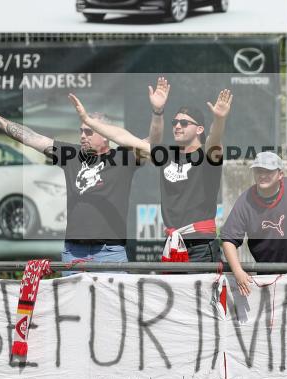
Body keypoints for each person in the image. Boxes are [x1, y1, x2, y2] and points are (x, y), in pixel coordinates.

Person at [0, 79, 169, 271]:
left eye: (89, 132)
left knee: (109, 309)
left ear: (106, 135)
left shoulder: (123, 158)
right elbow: (31, 138)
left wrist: (157, 111)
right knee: (71, 309)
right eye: (81, 131)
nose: (82, 136)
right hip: (73, 252)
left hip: (110, 252)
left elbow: (152, 144)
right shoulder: (72, 155)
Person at [68, 87, 233, 262]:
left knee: (201, 291)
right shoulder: (166, 155)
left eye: (184, 123)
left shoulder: (208, 155)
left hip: (201, 245)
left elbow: (214, 138)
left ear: (199, 129)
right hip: (173, 243)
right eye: (175, 122)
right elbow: (124, 138)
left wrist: (219, 118)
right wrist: (88, 120)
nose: (177, 126)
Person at [221, 152, 287, 296]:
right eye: (259, 171)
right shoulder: (245, 200)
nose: (263, 175)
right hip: (267, 277)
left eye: (268, 171)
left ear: (280, 174)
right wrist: (238, 271)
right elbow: (228, 239)